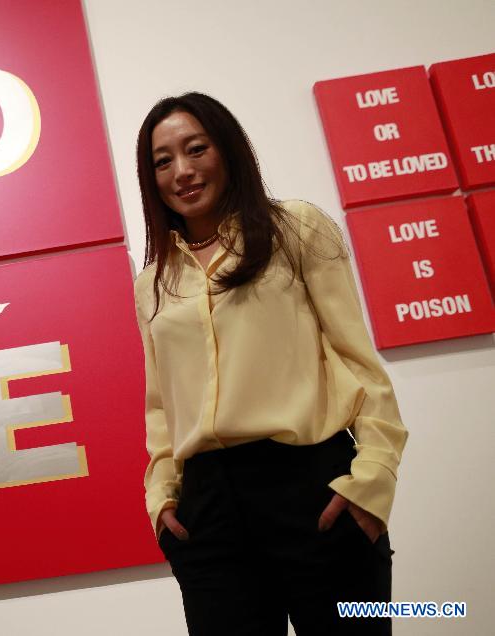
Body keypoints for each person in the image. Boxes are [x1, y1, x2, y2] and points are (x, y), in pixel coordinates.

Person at [132, 92, 408, 635]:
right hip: (208, 511)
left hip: (312, 488)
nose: (182, 172)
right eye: (163, 161)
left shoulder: (297, 229)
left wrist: (372, 481)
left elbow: (360, 365)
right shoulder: (153, 282)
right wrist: (162, 499)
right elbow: (162, 404)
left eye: (196, 149)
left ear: (229, 151)